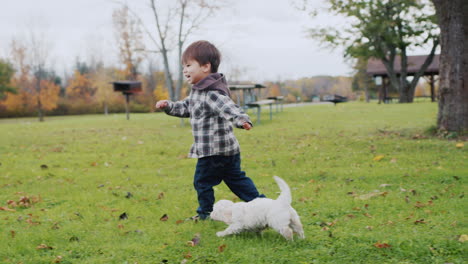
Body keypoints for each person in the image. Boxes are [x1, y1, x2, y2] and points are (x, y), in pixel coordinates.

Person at [155, 40, 264, 220]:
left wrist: (242, 119)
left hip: (213, 152)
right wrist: (169, 106)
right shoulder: (198, 92)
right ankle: (260, 204)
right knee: (237, 181)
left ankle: (205, 213)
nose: (185, 70)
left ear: (206, 67)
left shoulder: (211, 93)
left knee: (202, 182)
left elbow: (229, 107)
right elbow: (186, 108)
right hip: (227, 151)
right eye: (183, 66)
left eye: (189, 65)